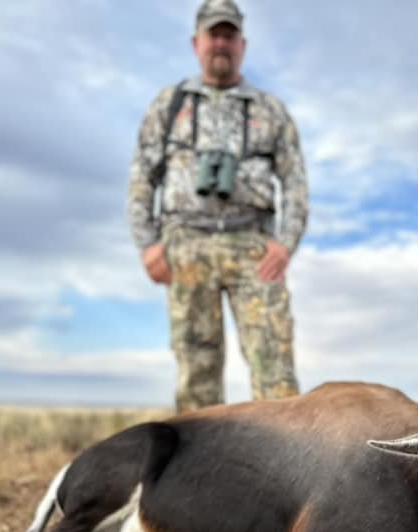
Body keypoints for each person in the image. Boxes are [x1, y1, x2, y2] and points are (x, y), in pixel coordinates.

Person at [128, 0, 309, 413]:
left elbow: (295, 182)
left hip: (254, 249)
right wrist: (148, 244)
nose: (221, 43)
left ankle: (284, 474)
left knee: (277, 378)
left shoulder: (271, 111)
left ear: (242, 44)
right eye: (214, 34)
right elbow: (142, 177)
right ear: (197, 42)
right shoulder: (169, 105)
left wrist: (285, 243)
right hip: (186, 246)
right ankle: (199, 475)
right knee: (197, 379)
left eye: (230, 35)